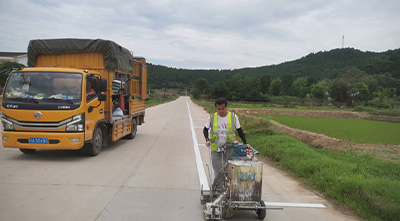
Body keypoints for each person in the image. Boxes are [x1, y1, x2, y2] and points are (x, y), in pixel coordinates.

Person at [203, 97, 251, 191]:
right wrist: (207, 139)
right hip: (215, 149)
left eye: (222, 108)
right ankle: (219, 189)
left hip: (229, 148)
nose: (220, 111)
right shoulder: (212, 117)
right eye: (218, 109)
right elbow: (205, 129)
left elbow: (239, 130)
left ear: (226, 107)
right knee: (219, 170)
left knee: (229, 170)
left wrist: (246, 142)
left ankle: (229, 188)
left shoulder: (233, 117)